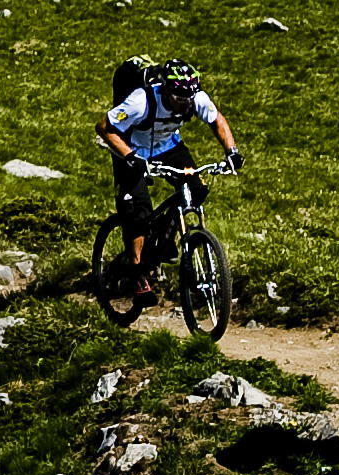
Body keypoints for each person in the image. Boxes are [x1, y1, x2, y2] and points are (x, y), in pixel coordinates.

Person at [96, 58, 241, 304]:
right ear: (166, 89)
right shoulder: (140, 102)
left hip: (168, 148)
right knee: (137, 213)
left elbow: (217, 120)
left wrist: (232, 152)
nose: (185, 102)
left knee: (197, 189)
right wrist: (131, 157)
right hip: (131, 151)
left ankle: (164, 239)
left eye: (188, 97)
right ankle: (138, 275)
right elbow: (104, 127)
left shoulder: (195, 98)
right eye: (179, 97)